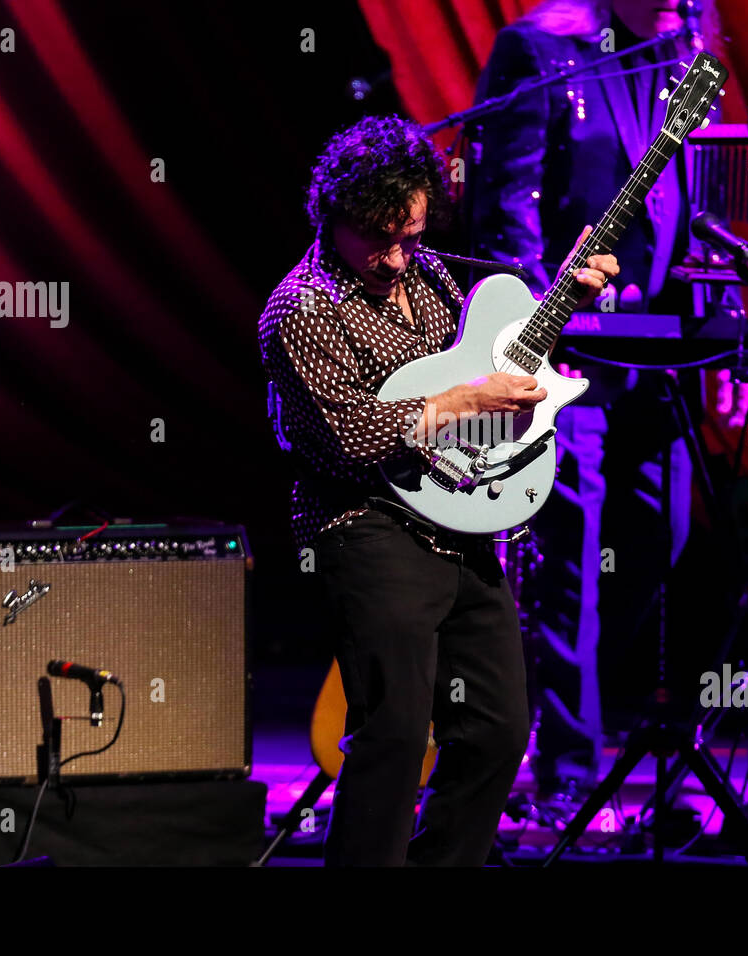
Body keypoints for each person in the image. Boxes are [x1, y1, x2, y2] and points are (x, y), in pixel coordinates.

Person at [259, 114, 618, 866]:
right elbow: (347, 436)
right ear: (334, 219)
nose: (396, 257)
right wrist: (462, 405)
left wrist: (565, 299)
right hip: (364, 525)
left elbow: (488, 360)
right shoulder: (300, 310)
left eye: (411, 236)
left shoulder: (427, 275)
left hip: (458, 522)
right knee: (392, 735)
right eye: (379, 239)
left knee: (497, 727)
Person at [465, 0, 733, 799]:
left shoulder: (680, 66)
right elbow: (503, 212)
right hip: (560, 352)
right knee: (570, 563)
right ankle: (566, 775)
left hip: (652, 354)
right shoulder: (542, 52)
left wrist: (719, 318)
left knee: (664, 536)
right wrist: (527, 332)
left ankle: (592, 730)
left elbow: (683, 216)